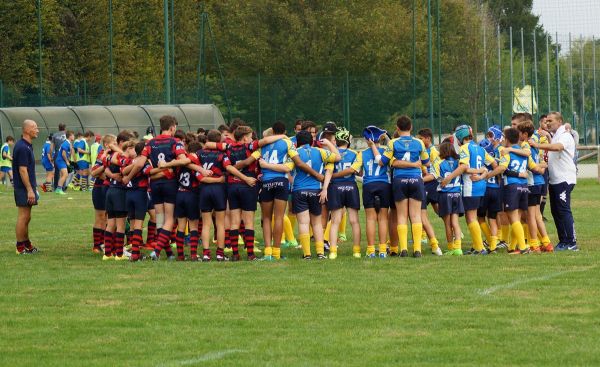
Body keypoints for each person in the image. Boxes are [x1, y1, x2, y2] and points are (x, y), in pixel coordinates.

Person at [123, 115, 191, 260]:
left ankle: (169, 253)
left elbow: (140, 164)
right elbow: (183, 160)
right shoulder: (175, 142)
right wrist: (169, 166)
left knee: (160, 219)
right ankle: (157, 251)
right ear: (172, 127)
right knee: (169, 219)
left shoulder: (150, 143)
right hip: (170, 184)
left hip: (154, 185)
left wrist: (128, 177)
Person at [381, 115, 430, 258]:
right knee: (415, 216)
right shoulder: (419, 143)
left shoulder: (393, 143)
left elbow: (384, 161)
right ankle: (417, 250)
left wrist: (396, 160)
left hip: (399, 180)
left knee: (401, 216)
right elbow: (426, 162)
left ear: (397, 128)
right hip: (416, 179)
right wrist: (416, 163)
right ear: (411, 127)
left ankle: (403, 249)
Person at [529, 112, 578, 251]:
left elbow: (557, 147)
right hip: (555, 180)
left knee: (563, 209)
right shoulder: (556, 135)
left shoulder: (565, 136)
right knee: (555, 211)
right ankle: (563, 241)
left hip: (564, 179)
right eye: (546, 120)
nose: (548, 122)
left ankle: (572, 242)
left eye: (550, 120)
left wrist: (537, 145)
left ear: (559, 122)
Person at [441, 124, 493, 255]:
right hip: (481, 186)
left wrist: (448, 178)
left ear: (460, 137)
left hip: (470, 186)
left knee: (471, 218)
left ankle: (480, 248)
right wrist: (483, 175)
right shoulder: (481, 148)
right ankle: (477, 246)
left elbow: (463, 167)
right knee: (473, 217)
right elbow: (494, 164)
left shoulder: (465, 148)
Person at [291, 130, 340, 259]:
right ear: (312, 141)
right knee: (317, 223)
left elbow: (288, 169)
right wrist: (329, 144)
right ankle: (320, 253)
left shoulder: (295, 153)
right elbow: (338, 157)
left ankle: (307, 254)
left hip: (299, 190)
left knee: (303, 223)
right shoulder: (320, 151)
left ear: (297, 143)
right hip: (315, 190)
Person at [323, 127, 361, 260]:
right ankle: (356, 251)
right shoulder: (355, 153)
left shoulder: (331, 154)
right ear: (348, 141)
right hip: (350, 187)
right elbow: (357, 171)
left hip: (335, 187)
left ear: (336, 141)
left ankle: (333, 251)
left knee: (335, 222)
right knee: (354, 221)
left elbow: (327, 171)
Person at [361, 126, 392, 258]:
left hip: (368, 184)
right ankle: (383, 250)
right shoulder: (387, 150)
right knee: (383, 218)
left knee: (370, 218)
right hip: (384, 184)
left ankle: (371, 250)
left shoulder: (362, 153)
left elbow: (356, 170)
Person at [432, 141, 464, 255]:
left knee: (447, 223)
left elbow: (437, 178)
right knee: (455, 222)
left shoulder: (440, 163)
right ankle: (458, 248)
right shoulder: (458, 163)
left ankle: (451, 247)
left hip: (445, 195)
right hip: (456, 194)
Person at [13, 120, 40, 255]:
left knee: (27, 217)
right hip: (23, 188)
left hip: (27, 187)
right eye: (35, 127)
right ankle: (20, 247)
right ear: (27, 130)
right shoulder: (22, 147)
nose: (37, 130)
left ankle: (27, 244)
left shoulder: (28, 146)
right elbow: (22, 170)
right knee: (23, 216)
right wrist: (29, 189)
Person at [51, 123, 67, 190]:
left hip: (56, 154)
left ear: (58, 128)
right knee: (64, 171)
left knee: (57, 171)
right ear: (65, 128)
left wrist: (51, 155)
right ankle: (63, 186)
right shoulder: (66, 135)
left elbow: (51, 147)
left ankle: (55, 186)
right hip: (64, 153)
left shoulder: (54, 135)